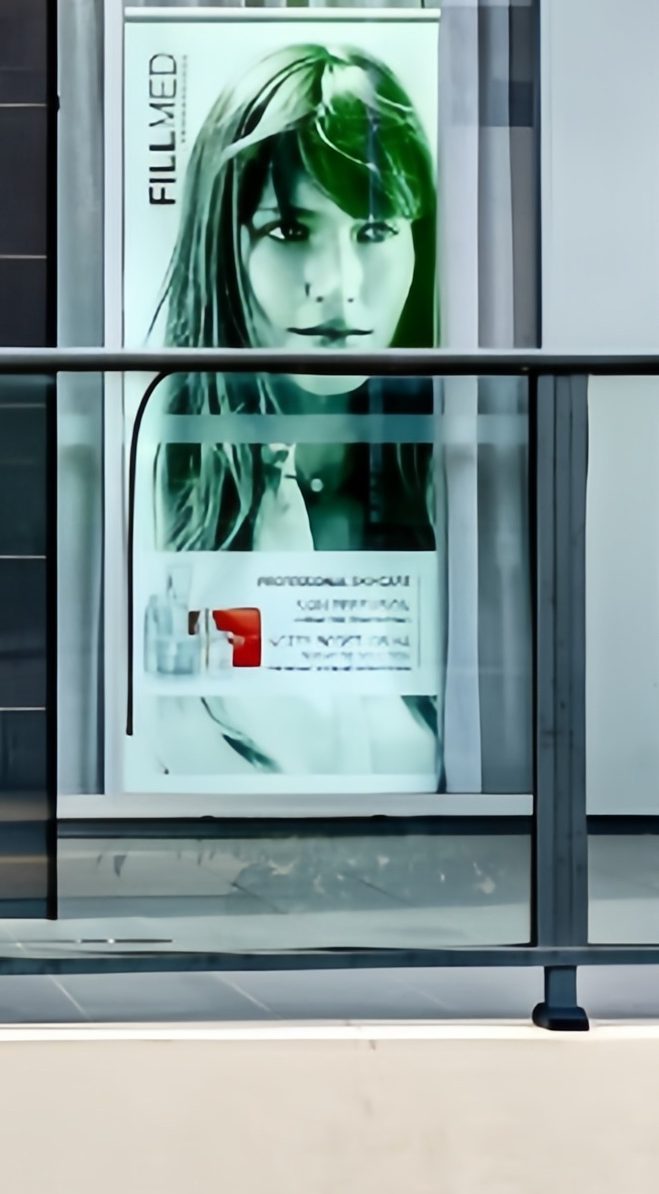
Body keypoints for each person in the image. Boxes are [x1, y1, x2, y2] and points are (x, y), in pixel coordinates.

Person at [134, 40, 446, 783]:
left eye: (374, 231)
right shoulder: (159, 477)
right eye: (289, 230)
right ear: (224, 247)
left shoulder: (467, 475)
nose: (339, 283)